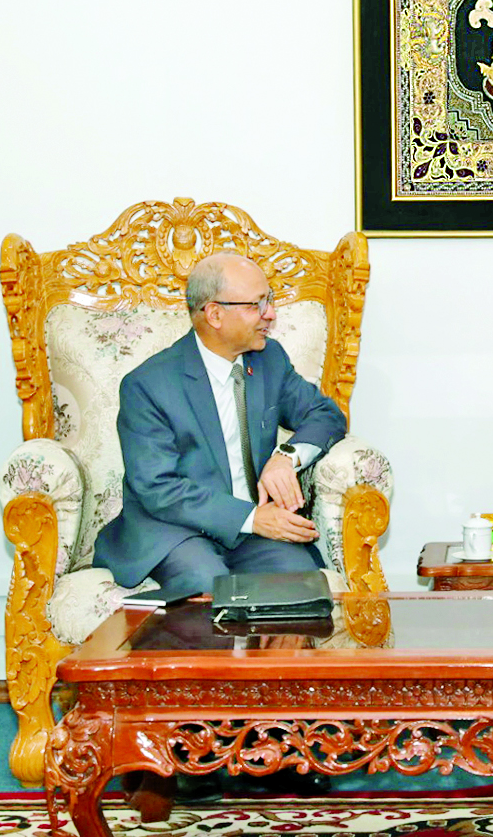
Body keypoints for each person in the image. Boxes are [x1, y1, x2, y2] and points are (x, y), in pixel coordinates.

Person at [94, 251, 347, 595]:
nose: (270, 314)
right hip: (176, 530)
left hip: (253, 534)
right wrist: (251, 518)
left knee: (300, 585)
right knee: (208, 586)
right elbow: (157, 488)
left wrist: (285, 457)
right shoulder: (148, 385)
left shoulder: (269, 359)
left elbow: (326, 415)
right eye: (256, 305)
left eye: (269, 300)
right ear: (214, 314)